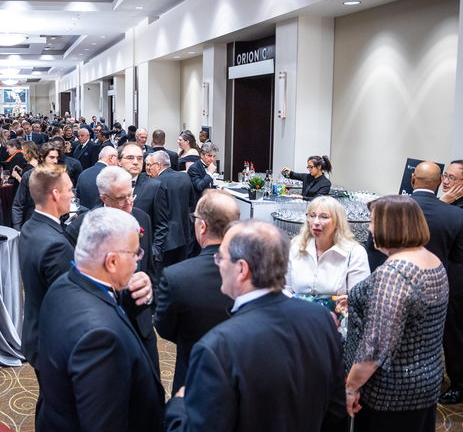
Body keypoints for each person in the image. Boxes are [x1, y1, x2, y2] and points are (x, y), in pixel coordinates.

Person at [165, 219, 346, 432]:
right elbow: (336, 413)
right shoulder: (321, 319)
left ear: (242, 269)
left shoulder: (216, 347)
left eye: (221, 257)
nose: (218, 263)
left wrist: (177, 406)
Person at [37, 208, 165, 432]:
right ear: (112, 262)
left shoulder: (63, 285)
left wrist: (129, 299)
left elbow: (102, 305)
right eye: (136, 254)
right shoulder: (100, 339)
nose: (138, 261)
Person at [345, 195, 449, 431]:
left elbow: (376, 345)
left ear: (388, 226)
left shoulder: (394, 272)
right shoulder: (430, 258)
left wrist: (350, 387)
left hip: (390, 393)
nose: (369, 228)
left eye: (372, 222)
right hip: (425, 382)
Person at [63, 166, 159, 371]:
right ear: (104, 198)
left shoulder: (142, 218)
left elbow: (149, 269)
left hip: (141, 324)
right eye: (121, 199)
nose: (129, 203)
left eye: (131, 195)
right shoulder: (81, 228)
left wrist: (150, 303)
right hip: (101, 326)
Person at [155, 190, 238, 393]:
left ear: (202, 227)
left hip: (193, 377)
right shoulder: (255, 273)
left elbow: (164, 328)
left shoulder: (176, 276)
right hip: (243, 376)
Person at [18, 162, 75, 416]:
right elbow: (68, 305)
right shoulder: (55, 245)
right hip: (53, 343)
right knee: (59, 412)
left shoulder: (31, 227)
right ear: (55, 194)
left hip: (35, 332)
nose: (73, 195)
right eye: (70, 189)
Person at [405, 163, 463, 405]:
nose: (447, 181)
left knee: (454, 334)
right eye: (445, 176)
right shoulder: (447, 203)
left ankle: (459, 385)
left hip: (455, 280)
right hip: (438, 277)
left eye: (452, 177)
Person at [285, 196, 370, 296]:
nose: (316, 222)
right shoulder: (297, 248)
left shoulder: (354, 253)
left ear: (338, 222)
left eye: (324, 217)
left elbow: (358, 300)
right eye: (312, 216)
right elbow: (286, 288)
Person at [119, 143, 168, 263]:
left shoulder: (154, 186)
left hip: (142, 255)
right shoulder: (110, 183)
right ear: (119, 161)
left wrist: (154, 252)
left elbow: (161, 224)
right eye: (130, 158)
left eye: (139, 158)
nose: (136, 162)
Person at [146, 150, 196, 267]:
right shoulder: (185, 177)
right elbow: (191, 202)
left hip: (164, 240)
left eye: (149, 165)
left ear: (158, 165)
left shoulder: (154, 183)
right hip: (184, 236)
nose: (147, 168)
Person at [12, 143, 56, 230]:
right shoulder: (29, 176)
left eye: (56, 158)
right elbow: (18, 204)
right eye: (51, 157)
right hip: (33, 225)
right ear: (42, 158)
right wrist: (17, 229)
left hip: (54, 227)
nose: (55, 161)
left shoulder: (60, 177)